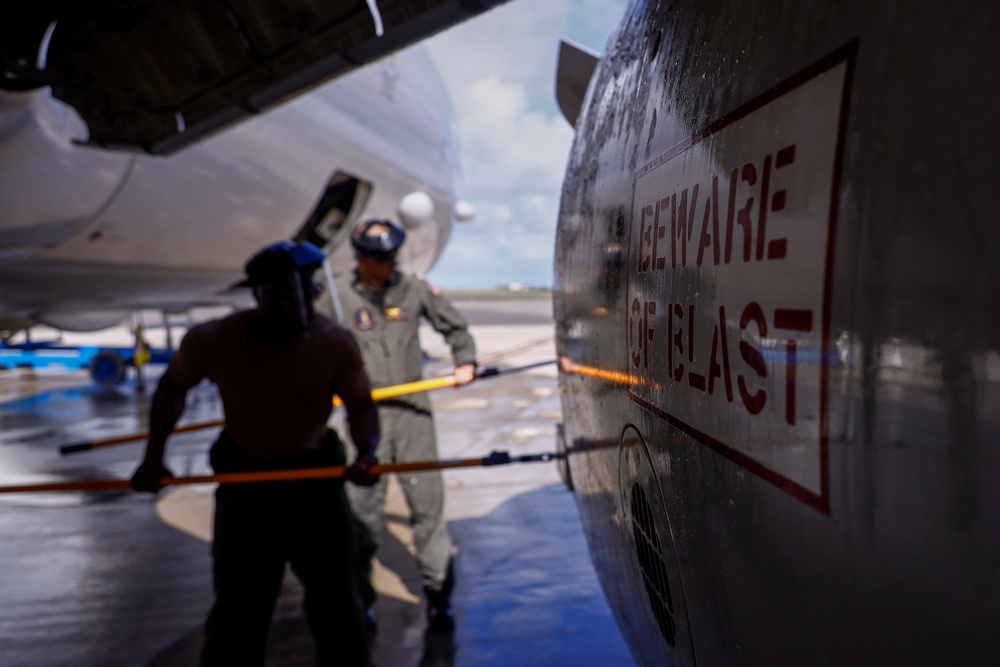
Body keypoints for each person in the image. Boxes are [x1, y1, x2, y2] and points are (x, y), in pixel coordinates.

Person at [130, 240, 380, 667]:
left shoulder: (335, 343)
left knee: (340, 609)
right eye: (286, 299)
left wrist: (366, 453)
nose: (299, 310)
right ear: (258, 295)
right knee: (239, 613)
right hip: (246, 487)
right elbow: (172, 388)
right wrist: (153, 458)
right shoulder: (215, 340)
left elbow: (360, 405)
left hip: (316, 485)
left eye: (307, 296)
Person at [318, 219, 476, 632]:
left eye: (393, 256)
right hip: (362, 417)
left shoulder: (414, 289)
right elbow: (310, 346)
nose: (389, 265)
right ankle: (361, 603)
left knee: (428, 511)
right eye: (380, 259)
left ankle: (439, 597)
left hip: (412, 413)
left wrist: (466, 361)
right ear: (361, 258)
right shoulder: (336, 297)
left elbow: (456, 328)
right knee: (362, 517)